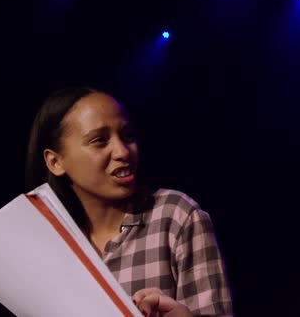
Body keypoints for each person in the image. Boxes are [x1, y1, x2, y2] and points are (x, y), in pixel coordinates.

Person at [25, 87, 233, 316]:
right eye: (100, 140)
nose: (123, 151)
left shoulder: (174, 216)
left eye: (127, 136)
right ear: (55, 162)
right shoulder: (47, 244)